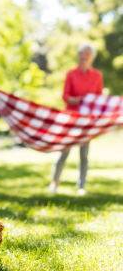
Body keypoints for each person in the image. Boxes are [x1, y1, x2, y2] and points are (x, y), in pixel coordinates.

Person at [48, 43, 103, 196]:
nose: (83, 56)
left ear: (92, 56)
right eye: (81, 53)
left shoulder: (97, 75)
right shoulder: (71, 74)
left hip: (87, 120)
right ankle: (55, 182)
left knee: (84, 154)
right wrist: (81, 100)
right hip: (71, 118)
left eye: (87, 53)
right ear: (78, 56)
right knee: (64, 152)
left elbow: (99, 97)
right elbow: (66, 97)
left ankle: (81, 185)